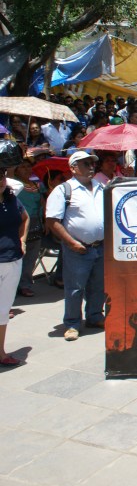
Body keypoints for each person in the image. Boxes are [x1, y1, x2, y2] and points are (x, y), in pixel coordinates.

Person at [45, 151, 105, 342]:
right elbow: (52, 220)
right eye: (85, 164)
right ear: (73, 168)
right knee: (74, 287)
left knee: (98, 285)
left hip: (100, 246)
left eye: (92, 163)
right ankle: (72, 323)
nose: (91, 167)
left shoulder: (101, 187)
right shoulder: (64, 190)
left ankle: (95, 316)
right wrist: (71, 242)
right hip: (77, 248)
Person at [0, 140, 28, 365]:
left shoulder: (12, 199)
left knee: (2, 310)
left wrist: (22, 240)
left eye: (1, 177)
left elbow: (25, 218)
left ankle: (1, 352)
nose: (0, 181)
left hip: (12, 259)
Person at [12, 155, 43, 297]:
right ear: (16, 170)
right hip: (19, 224)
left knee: (31, 256)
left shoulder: (36, 185)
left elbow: (41, 204)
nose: (26, 169)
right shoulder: (14, 186)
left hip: (36, 224)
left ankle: (25, 284)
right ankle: (13, 285)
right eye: (23, 166)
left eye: (28, 166)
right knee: (17, 257)